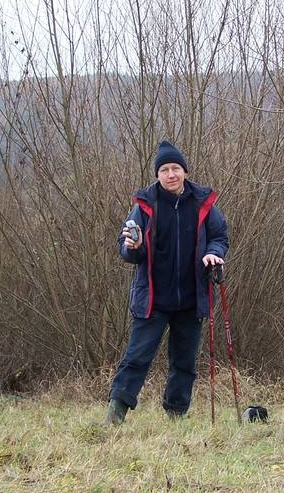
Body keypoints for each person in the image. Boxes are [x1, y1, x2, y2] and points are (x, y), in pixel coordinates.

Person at [103, 139, 229, 425]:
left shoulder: (202, 203)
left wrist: (213, 253)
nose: (171, 174)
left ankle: (176, 416)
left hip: (190, 297)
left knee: (184, 363)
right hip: (152, 299)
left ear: (183, 171)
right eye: (165, 170)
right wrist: (132, 247)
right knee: (136, 357)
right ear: (157, 175)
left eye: (176, 168)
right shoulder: (145, 205)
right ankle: (114, 416)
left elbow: (220, 236)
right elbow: (127, 251)